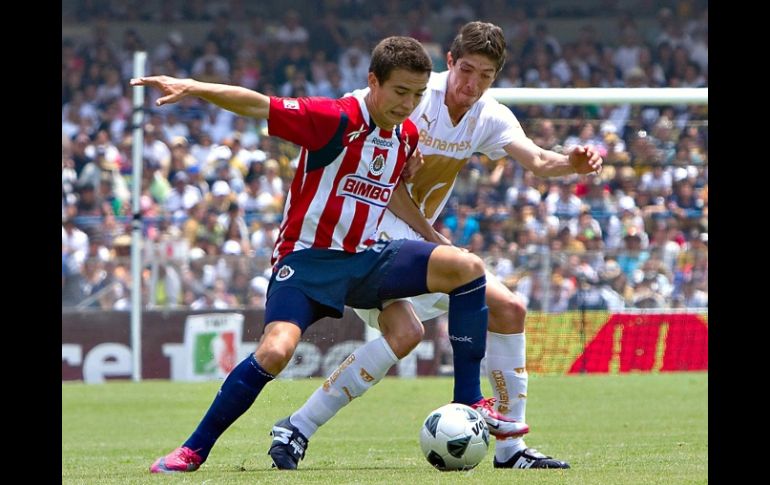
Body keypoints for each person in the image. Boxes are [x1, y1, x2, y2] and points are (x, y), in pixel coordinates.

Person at [135, 35, 525, 474]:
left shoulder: (407, 133)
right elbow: (258, 104)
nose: (409, 103)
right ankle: (193, 450)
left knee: (466, 269)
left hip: (367, 258)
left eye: (417, 95)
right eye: (400, 92)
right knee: (276, 351)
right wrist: (194, 87)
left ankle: (468, 399)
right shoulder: (334, 118)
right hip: (307, 261)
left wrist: (430, 234)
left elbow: (392, 188)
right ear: (373, 82)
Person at [272, 21, 602, 471]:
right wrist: (433, 236)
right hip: (366, 240)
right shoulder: (410, 97)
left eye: (486, 76)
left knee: (495, 313)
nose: (472, 84)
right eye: (466, 70)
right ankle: (300, 426)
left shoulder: (490, 115)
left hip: (418, 242)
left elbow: (539, 161)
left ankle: (509, 449)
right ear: (449, 62)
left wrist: (572, 163)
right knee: (430, 323)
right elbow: (372, 167)